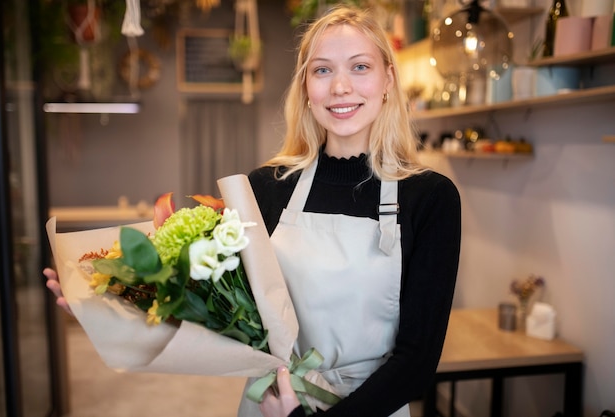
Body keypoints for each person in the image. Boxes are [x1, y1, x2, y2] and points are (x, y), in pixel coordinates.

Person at [46, 5, 461, 417]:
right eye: (321, 70)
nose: (339, 87)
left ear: (388, 78)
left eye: (359, 67)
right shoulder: (266, 187)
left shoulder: (430, 198)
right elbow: (210, 304)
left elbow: (416, 363)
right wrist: (106, 298)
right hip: (272, 401)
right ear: (304, 87)